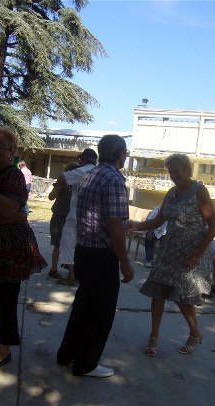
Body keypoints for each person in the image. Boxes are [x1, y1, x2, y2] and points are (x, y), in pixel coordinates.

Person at [57, 135, 134, 378]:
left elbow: (105, 217)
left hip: (84, 251)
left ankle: (66, 354)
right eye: (126, 152)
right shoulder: (113, 180)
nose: (127, 156)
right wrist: (124, 261)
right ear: (120, 153)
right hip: (102, 256)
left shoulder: (89, 174)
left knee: (82, 307)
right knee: (101, 313)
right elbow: (113, 225)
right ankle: (86, 363)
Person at [128, 154, 215, 357]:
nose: (173, 175)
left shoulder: (199, 190)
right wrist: (137, 226)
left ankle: (195, 334)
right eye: (170, 171)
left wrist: (198, 252)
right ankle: (154, 336)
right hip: (169, 251)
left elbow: (213, 226)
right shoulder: (171, 193)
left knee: (183, 299)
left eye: (177, 171)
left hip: (191, 254)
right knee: (157, 292)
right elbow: (159, 220)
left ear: (187, 170)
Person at [0, 128, 46, 369]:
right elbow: (9, 213)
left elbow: (9, 210)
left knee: (5, 301)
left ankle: (4, 349)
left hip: (9, 249)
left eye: (2, 146)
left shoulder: (13, 176)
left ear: (12, 152)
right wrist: (12, 215)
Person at [57, 149, 98, 285]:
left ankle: (72, 276)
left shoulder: (82, 171)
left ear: (83, 159)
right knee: (86, 248)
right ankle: (82, 276)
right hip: (95, 218)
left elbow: (62, 177)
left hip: (77, 215)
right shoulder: (100, 172)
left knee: (68, 245)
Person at [48, 162, 80, 279]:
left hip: (71, 219)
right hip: (59, 217)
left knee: (71, 245)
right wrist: (59, 186)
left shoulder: (79, 184)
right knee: (58, 245)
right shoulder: (63, 182)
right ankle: (54, 269)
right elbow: (51, 197)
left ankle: (70, 269)